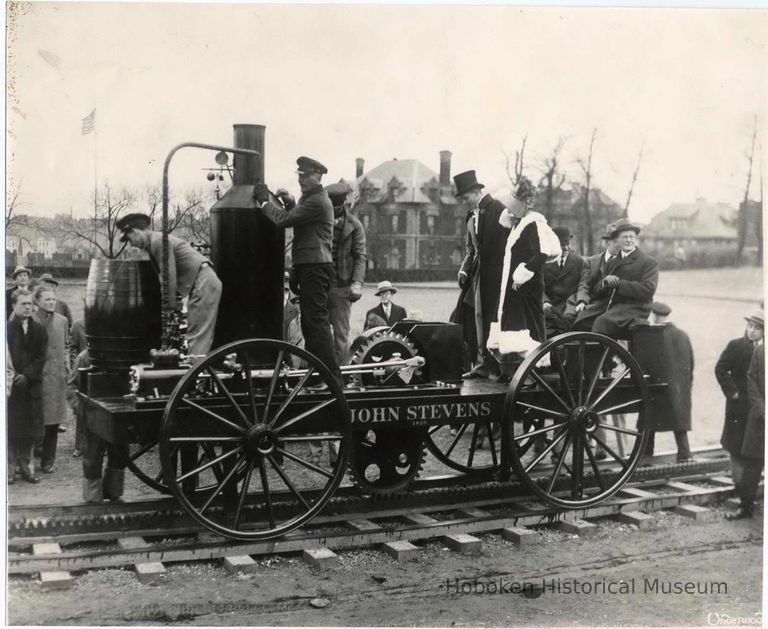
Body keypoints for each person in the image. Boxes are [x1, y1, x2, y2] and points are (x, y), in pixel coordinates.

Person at [254, 156, 341, 385]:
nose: (301, 179)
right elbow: (301, 218)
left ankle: (331, 377)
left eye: (306, 176)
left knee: (316, 322)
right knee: (310, 323)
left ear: (318, 176)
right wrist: (292, 201)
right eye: (299, 175)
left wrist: (264, 203)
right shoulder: (311, 198)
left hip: (315, 267)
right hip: (309, 267)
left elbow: (284, 220)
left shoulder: (318, 201)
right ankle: (319, 374)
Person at [116, 212, 222, 358]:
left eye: (129, 239)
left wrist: (168, 310)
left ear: (135, 231)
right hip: (202, 281)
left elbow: (168, 278)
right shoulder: (156, 242)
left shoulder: (158, 242)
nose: (131, 244)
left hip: (202, 282)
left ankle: (194, 377)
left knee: (197, 335)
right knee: (198, 334)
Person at [486, 176, 560, 379]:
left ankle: (533, 371)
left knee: (530, 327)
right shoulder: (518, 225)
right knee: (513, 325)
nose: (510, 211)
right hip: (515, 287)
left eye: (514, 206)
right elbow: (505, 221)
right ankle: (514, 371)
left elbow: (542, 254)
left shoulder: (534, 224)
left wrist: (522, 274)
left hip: (528, 285)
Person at [453, 170, 511, 379]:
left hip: (496, 275)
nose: (463, 202)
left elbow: (508, 246)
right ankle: (482, 364)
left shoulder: (498, 210)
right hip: (478, 275)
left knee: (494, 318)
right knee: (477, 318)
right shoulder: (471, 215)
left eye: (465, 197)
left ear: (476, 191)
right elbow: (472, 249)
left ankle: (500, 366)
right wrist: (464, 269)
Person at [572, 218, 658, 339]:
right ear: (617, 240)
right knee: (582, 320)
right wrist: (604, 283)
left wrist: (619, 284)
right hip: (614, 306)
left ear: (636, 239)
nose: (628, 240)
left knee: (602, 323)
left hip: (636, 308)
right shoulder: (614, 262)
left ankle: (603, 357)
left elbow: (648, 289)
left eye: (631, 237)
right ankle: (586, 356)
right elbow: (597, 291)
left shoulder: (648, 262)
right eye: (624, 237)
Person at [716, 310, 764, 513]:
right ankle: (739, 487)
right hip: (738, 406)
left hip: (756, 408)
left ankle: (748, 490)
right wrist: (732, 392)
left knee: (752, 450)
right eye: (750, 326)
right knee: (735, 446)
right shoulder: (736, 345)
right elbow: (720, 368)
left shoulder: (763, 350)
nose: (752, 331)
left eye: (757, 328)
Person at [69, 349, 129, 502]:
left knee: (119, 453)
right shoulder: (84, 358)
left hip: (116, 414)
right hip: (93, 417)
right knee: (92, 456)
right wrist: (82, 411)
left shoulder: (122, 355)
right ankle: (93, 498)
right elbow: (72, 387)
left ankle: (113, 491)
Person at [639, 302, 694, 464]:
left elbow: (644, 364)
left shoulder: (652, 336)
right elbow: (690, 364)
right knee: (679, 423)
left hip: (657, 389)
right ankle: (685, 454)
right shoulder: (682, 335)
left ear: (654, 315)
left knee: (649, 421)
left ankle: (645, 456)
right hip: (678, 390)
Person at [7, 288, 47, 484]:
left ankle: (26, 468)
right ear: (14, 306)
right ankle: (9, 469)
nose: (28, 307)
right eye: (23, 304)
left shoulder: (39, 330)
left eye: (30, 304)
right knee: (10, 429)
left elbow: (41, 357)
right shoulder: (5, 329)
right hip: (11, 388)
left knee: (29, 431)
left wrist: (28, 376)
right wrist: (13, 376)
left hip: (31, 387)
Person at [325, 181, 366, 365]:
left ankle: (338, 377)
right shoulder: (318, 220)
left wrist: (357, 283)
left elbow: (360, 256)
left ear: (343, 204)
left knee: (341, 334)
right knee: (317, 333)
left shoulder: (355, 226)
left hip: (341, 288)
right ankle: (316, 375)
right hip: (318, 286)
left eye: (336, 207)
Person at [32, 284, 69, 474]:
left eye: (53, 299)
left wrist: (66, 368)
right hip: (36, 378)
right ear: (37, 301)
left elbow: (67, 346)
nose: (51, 302)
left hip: (56, 378)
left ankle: (48, 460)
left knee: (53, 422)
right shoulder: (30, 320)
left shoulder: (62, 321)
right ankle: (28, 460)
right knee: (34, 419)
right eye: (47, 299)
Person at [725, 341, 764, 520]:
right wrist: (761, 409)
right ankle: (745, 507)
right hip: (760, 417)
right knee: (752, 462)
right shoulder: (761, 351)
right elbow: (752, 379)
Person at [542, 226, 583, 336]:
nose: (565, 248)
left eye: (567, 244)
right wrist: (544, 301)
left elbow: (583, 286)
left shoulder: (579, 262)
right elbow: (538, 286)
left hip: (570, 308)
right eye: (561, 245)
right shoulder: (544, 262)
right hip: (549, 308)